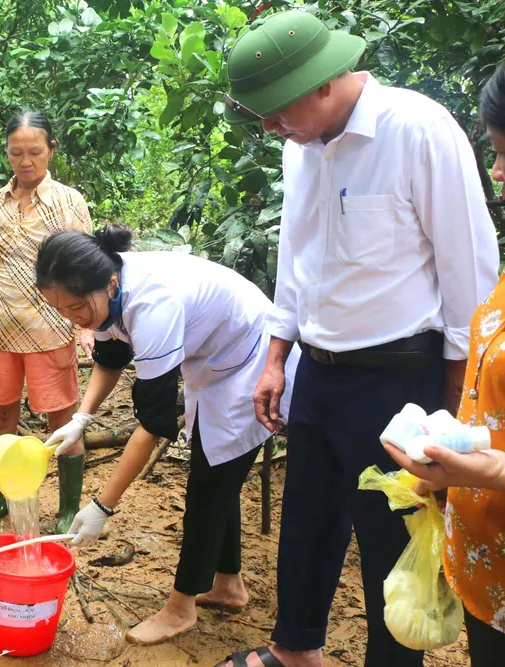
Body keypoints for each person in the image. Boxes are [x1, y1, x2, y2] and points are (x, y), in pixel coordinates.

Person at [219, 10, 499, 667]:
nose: (268, 125)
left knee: (390, 538)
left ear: (322, 85)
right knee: (309, 517)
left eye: (276, 109)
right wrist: (276, 356)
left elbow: (470, 266)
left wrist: (460, 390)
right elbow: (299, 257)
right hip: (319, 369)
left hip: (399, 374)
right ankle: (295, 649)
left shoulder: (418, 130)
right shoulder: (301, 147)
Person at [38, 226, 300, 645]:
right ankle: (228, 584)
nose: (73, 318)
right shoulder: (107, 291)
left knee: (207, 488)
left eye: (76, 308)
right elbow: (109, 359)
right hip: (213, 363)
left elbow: (154, 425)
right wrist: (82, 419)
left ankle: (181, 607)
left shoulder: (152, 304)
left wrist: (102, 507)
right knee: (215, 472)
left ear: (109, 283)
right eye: (62, 310)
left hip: (250, 363)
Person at [385, 64, 505, 667]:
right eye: (496, 152)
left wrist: (478, 472)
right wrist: (451, 459)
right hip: (488, 570)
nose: (498, 173)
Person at [0, 111, 94, 528]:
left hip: (51, 330)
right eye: (16, 153)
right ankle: (1, 496)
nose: (25, 161)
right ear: (6, 154)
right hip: (3, 331)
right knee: (1, 416)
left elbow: (85, 268)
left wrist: (86, 327)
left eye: (35, 152)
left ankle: (66, 508)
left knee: (61, 418)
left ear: (51, 151)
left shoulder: (69, 202)